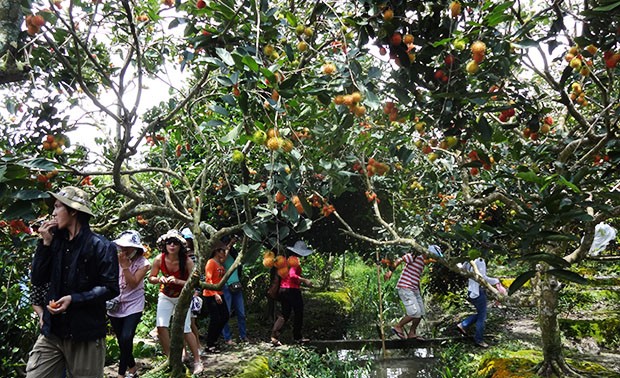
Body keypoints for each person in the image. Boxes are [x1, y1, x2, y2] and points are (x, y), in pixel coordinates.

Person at [27, 186, 119, 378]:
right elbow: (37, 278)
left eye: (58, 207)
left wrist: (74, 299)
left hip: (85, 334)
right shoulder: (53, 241)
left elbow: (110, 288)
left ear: (73, 211)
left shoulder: (101, 246)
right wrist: (44, 244)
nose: (53, 213)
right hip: (53, 333)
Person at [148, 229, 202, 374]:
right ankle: (171, 359)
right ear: (164, 245)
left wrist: (178, 281)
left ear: (180, 246)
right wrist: (160, 279)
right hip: (165, 295)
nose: (172, 245)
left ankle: (197, 360)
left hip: (182, 297)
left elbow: (194, 282)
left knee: (186, 329)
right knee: (161, 326)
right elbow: (151, 278)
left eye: (175, 243)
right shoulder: (159, 259)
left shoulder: (187, 261)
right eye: (169, 242)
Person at [107, 230, 151, 378]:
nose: (123, 250)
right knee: (122, 341)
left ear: (135, 248)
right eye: (122, 246)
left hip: (134, 304)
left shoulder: (143, 263)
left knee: (127, 337)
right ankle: (132, 369)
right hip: (115, 304)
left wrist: (125, 266)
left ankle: (121, 374)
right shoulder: (113, 258)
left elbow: (133, 283)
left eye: (128, 247)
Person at [384, 245, 441, 340]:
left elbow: (419, 273)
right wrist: (390, 271)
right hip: (405, 287)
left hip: (414, 289)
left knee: (421, 312)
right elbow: (400, 259)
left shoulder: (423, 261)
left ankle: (412, 333)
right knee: (414, 313)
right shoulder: (414, 257)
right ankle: (398, 326)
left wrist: (419, 290)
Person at [456, 249, 507, 348]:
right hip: (478, 291)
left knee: (481, 314)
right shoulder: (480, 260)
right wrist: (496, 281)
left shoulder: (469, 260)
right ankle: (479, 340)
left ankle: (463, 325)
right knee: (482, 317)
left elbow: (462, 269)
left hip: (471, 291)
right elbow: (482, 278)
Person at [270, 241, 313, 346]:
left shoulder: (287, 260)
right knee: (299, 313)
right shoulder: (294, 260)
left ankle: (274, 336)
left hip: (283, 290)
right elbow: (292, 275)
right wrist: (305, 280)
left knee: (285, 313)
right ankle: (297, 337)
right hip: (292, 291)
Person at [201, 240, 230, 353]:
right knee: (215, 319)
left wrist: (230, 243)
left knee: (225, 316)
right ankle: (210, 344)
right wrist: (215, 294)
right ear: (217, 252)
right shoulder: (211, 262)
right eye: (222, 251)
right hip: (210, 294)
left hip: (220, 293)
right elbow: (209, 280)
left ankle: (214, 340)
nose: (224, 252)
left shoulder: (220, 263)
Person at [221, 236, 249, 345]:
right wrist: (229, 244)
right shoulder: (221, 255)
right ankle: (227, 338)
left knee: (241, 313)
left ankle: (243, 336)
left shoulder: (234, 254)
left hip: (236, 285)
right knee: (226, 313)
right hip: (226, 287)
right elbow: (222, 259)